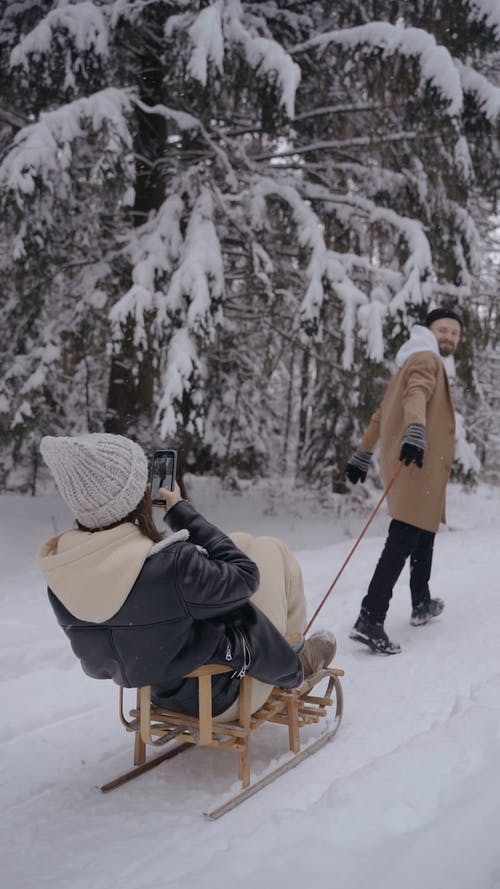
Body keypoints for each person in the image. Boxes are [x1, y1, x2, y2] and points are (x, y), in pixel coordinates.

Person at [37, 433, 336, 718]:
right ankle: (295, 664)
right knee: (270, 548)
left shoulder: (62, 575)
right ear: (134, 498)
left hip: (156, 692)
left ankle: (286, 653)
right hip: (223, 699)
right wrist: (180, 510)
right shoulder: (172, 566)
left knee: (241, 540)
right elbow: (246, 575)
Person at [346, 307, 462, 655]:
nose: (450, 337)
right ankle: (370, 617)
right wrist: (416, 429)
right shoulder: (427, 359)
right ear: (429, 330)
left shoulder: (410, 360)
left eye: (455, 333)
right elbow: (418, 394)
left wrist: (363, 453)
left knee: (423, 532)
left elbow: (382, 413)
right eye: (444, 330)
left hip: (418, 460)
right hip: (417, 460)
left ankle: (421, 602)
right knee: (404, 538)